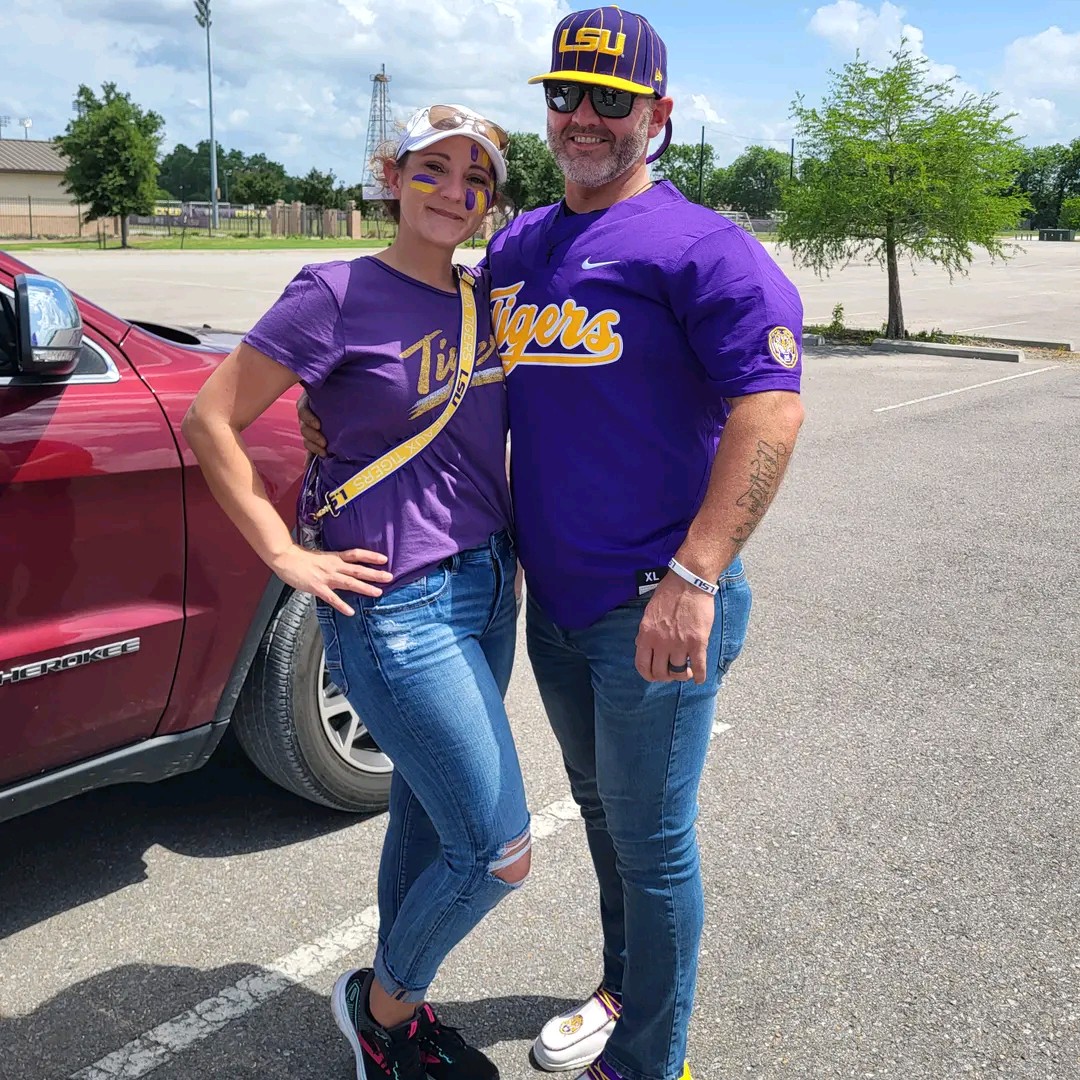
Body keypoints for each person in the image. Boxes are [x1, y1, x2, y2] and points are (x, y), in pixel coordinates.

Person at [302, 9, 805, 1079]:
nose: (581, 117)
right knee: (601, 813)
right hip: (557, 604)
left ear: (657, 115)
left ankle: (650, 1058)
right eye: (564, 94)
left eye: (608, 100)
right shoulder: (520, 245)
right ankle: (623, 986)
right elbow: (435, 351)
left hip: (659, 599)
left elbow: (771, 409)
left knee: (654, 843)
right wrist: (330, 408)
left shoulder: (701, 247)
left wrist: (698, 574)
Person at [182, 105, 529, 1080]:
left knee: (427, 810)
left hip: (490, 588)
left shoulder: (485, 303)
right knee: (497, 851)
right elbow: (212, 420)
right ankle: (381, 1013)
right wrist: (281, 552)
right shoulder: (333, 292)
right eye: (433, 168)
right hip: (395, 605)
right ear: (392, 175)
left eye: (475, 178)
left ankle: (397, 1013)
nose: (454, 191)